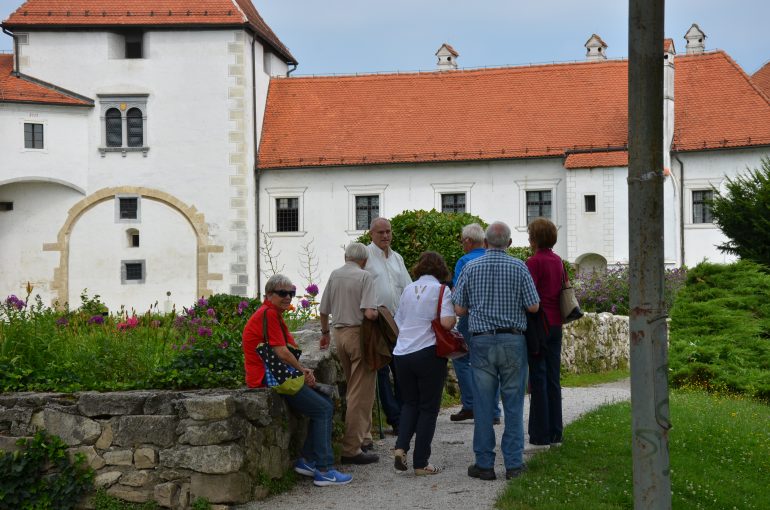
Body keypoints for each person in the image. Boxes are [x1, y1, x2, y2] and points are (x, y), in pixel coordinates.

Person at [242, 274, 352, 487]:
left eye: (290, 293)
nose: (287, 297)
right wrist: (302, 370)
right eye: (282, 293)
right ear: (269, 295)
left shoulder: (269, 313)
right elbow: (281, 352)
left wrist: (301, 371)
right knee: (322, 409)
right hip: (269, 378)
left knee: (324, 406)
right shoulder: (269, 315)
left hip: (273, 376)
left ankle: (308, 461)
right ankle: (324, 469)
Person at [452, 221, 540, 481]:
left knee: (482, 404)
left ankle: (484, 463)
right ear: (510, 243)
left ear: (486, 242)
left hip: (481, 342)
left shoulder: (470, 267)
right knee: (513, 404)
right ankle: (513, 464)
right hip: (513, 340)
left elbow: (459, 309)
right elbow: (533, 306)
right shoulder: (519, 267)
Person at [392, 251, 456, 475]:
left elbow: (398, 321)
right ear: (440, 269)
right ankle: (421, 462)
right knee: (429, 408)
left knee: (410, 403)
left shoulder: (408, 289)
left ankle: (401, 447)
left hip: (402, 352)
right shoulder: (442, 290)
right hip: (428, 351)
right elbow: (447, 323)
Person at [319, 243, 380, 465]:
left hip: (339, 334)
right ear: (364, 260)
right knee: (360, 393)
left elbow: (323, 309)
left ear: (346, 257)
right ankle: (351, 448)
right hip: (358, 335)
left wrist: (325, 333)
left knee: (354, 388)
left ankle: (364, 437)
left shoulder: (335, 275)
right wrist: (380, 312)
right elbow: (370, 313)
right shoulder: (365, 277)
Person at [450, 223, 501, 425]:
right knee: (492, 365)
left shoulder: (464, 261)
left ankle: (471, 404)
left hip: (471, 318)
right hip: (496, 318)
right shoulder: (495, 258)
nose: (462, 245)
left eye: (463, 241)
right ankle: (494, 410)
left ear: (469, 241)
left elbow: (458, 294)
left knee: (462, 358)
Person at [364, 217, 412, 434]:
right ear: (371, 234)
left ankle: (403, 412)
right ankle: (395, 418)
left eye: (388, 232)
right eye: (380, 232)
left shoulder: (397, 257)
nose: (385, 236)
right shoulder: (364, 256)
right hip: (376, 321)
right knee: (382, 370)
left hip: (398, 321)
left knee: (401, 369)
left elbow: (407, 287)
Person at [525, 218, 565, 451]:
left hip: (539, 324)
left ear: (535, 238)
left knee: (537, 378)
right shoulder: (558, 261)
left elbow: (528, 293)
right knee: (553, 378)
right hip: (557, 323)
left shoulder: (534, 262)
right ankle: (556, 433)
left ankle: (540, 436)